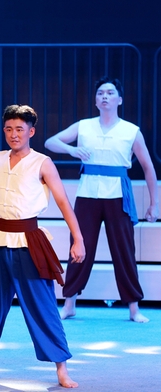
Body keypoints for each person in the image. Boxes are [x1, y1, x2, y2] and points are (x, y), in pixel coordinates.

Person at [0, 104, 85, 388]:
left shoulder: (42, 163)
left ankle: (62, 369)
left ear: (31, 132)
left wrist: (78, 239)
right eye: (9, 129)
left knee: (42, 307)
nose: (14, 134)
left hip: (30, 243)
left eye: (20, 129)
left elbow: (63, 202)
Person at [44, 77, 159, 323]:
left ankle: (134, 308)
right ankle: (69, 303)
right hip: (87, 194)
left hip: (118, 195)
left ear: (120, 99)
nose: (104, 96)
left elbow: (149, 168)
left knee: (124, 251)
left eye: (110, 92)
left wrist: (154, 203)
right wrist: (72, 150)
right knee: (79, 247)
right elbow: (50, 142)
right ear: (96, 101)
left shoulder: (131, 131)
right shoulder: (84, 126)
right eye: (100, 93)